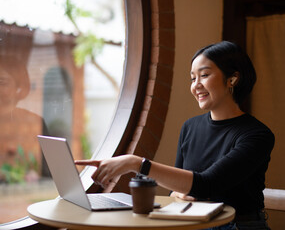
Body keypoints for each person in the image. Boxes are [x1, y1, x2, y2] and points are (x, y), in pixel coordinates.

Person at [75, 41, 274, 230]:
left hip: (238, 225)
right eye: (192, 78)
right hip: (193, 223)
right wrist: (183, 189)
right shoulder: (190, 127)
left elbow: (206, 185)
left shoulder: (257, 135)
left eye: (204, 75)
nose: (196, 85)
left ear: (232, 79)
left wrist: (136, 163)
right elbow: (178, 188)